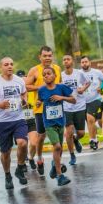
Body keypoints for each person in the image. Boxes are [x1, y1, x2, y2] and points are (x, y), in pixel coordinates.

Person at [0, 57, 29, 189]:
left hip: (18, 118)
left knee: (22, 143)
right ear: (0, 67)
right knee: (6, 153)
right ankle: (8, 175)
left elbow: (24, 92)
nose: (9, 66)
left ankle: (20, 168)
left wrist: (24, 100)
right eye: (6, 64)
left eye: (11, 64)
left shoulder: (19, 80)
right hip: (3, 122)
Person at [25, 46, 62, 175]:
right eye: (45, 56)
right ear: (40, 57)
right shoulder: (34, 70)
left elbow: (60, 84)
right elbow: (26, 86)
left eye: (49, 55)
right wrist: (40, 87)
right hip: (41, 109)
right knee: (41, 136)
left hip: (57, 108)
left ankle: (56, 163)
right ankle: (39, 158)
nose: (47, 58)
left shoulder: (57, 69)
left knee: (58, 135)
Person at [37, 66, 76, 186]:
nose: (46, 76)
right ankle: (60, 176)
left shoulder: (61, 87)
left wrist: (62, 97)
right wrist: (38, 102)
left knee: (59, 149)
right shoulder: (41, 90)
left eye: (49, 73)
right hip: (49, 123)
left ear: (55, 76)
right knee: (57, 146)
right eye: (44, 74)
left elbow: (73, 100)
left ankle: (55, 166)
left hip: (60, 121)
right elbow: (40, 101)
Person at [61, 54, 90, 165]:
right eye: (64, 60)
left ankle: (76, 140)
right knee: (69, 132)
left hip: (79, 106)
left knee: (81, 133)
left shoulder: (79, 73)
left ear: (72, 61)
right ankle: (72, 155)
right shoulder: (60, 75)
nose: (66, 61)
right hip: (67, 107)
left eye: (68, 59)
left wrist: (83, 88)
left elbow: (87, 82)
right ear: (63, 62)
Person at [80, 56, 103, 150]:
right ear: (81, 64)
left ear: (89, 62)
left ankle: (91, 140)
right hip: (83, 101)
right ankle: (95, 140)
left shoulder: (96, 72)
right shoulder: (78, 73)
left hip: (96, 99)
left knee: (90, 118)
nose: (84, 63)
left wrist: (101, 87)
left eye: (86, 62)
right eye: (83, 62)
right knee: (90, 121)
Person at [16, 69, 38, 170]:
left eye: (24, 78)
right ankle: (22, 163)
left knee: (33, 143)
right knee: (22, 144)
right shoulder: (14, 91)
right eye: (20, 78)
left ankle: (30, 158)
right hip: (19, 120)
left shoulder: (31, 89)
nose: (22, 80)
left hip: (30, 119)